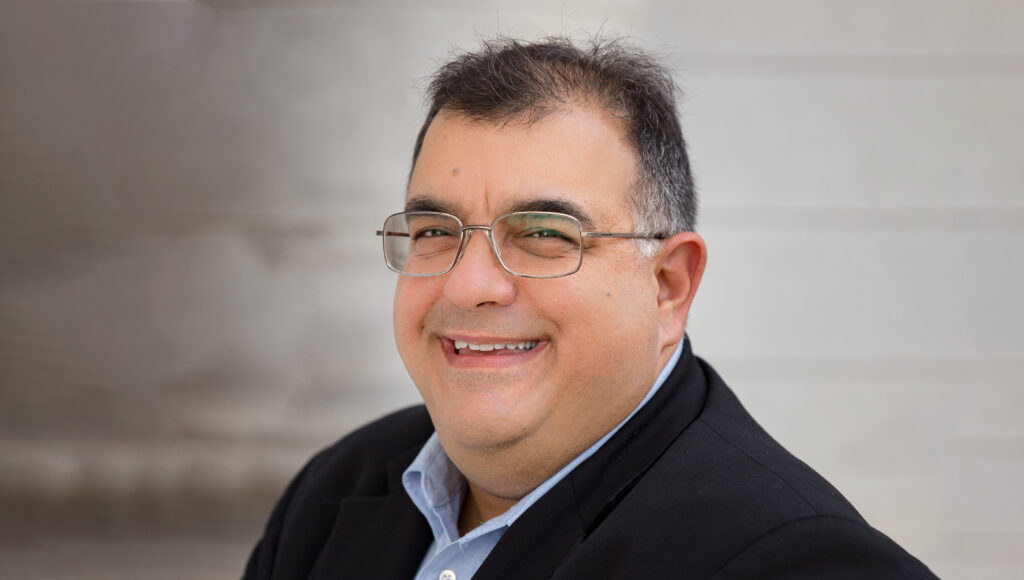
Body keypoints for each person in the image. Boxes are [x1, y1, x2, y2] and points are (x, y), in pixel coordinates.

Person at [244, 36, 936, 579]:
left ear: (669, 286)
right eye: (434, 233)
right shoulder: (337, 489)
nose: (467, 286)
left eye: (544, 235)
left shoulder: (800, 565)